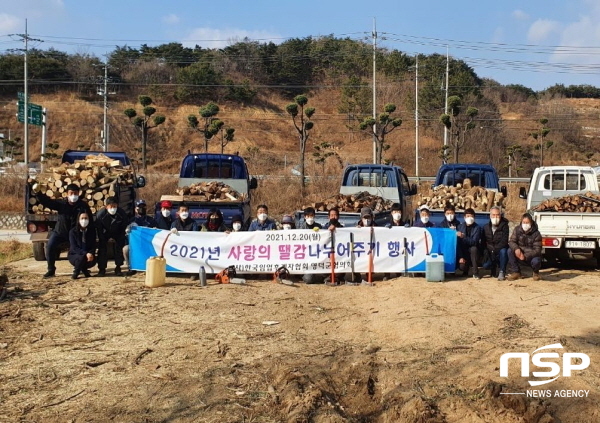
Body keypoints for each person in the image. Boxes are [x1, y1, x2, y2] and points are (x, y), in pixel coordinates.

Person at [35, 183, 92, 278]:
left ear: (78, 193)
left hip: (75, 234)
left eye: (75, 193)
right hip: (60, 232)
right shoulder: (61, 204)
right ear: (67, 194)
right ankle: (51, 269)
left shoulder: (83, 206)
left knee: (82, 249)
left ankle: (82, 268)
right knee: (50, 246)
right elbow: (47, 202)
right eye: (71, 193)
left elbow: (89, 220)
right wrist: (38, 193)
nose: (73, 195)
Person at [96, 196, 129, 277]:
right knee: (102, 248)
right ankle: (102, 269)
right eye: (111, 206)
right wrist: (102, 237)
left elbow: (124, 226)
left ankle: (118, 267)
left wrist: (120, 236)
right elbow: (99, 228)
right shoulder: (100, 214)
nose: (113, 208)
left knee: (119, 247)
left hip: (118, 232)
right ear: (106, 206)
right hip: (105, 232)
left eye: (115, 206)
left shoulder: (121, 213)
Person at [124, 199, 157, 276]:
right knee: (125, 249)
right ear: (136, 209)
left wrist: (155, 230)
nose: (141, 209)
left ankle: (149, 267)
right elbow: (127, 234)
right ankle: (131, 268)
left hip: (148, 243)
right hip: (135, 244)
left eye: (143, 206)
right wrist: (127, 230)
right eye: (139, 207)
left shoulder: (151, 220)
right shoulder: (132, 220)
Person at [507, 213, 542, 281]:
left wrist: (525, 256)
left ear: (531, 223)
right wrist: (516, 249)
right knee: (509, 251)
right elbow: (511, 241)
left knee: (536, 261)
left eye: (527, 222)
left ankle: (536, 272)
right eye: (524, 222)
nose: (525, 224)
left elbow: (538, 250)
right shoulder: (517, 230)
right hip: (519, 254)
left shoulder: (537, 234)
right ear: (521, 222)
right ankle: (516, 272)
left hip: (531, 256)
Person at [482, 206, 510, 281]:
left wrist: (495, 250)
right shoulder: (486, 227)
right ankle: (493, 267)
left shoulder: (505, 226)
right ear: (490, 216)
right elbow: (483, 242)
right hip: (490, 251)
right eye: (493, 215)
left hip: (500, 250)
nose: (495, 217)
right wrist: (488, 251)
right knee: (485, 265)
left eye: (497, 215)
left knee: (504, 251)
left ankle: (502, 271)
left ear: (500, 215)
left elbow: (504, 241)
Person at [67, 211, 96, 279]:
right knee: (81, 257)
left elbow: (93, 244)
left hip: (88, 254)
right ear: (78, 220)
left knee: (93, 259)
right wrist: (85, 254)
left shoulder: (92, 231)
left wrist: (91, 253)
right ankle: (76, 272)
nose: (84, 220)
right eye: (82, 218)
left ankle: (84, 269)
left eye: (86, 218)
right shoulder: (73, 232)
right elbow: (74, 247)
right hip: (75, 255)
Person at [457, 208, 482, 279]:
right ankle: (465, 271)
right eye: (468, 216)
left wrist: (463, 237)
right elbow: (458, 243)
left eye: (471, 216)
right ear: (464, 217)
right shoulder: (460, 227)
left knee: (474, 249)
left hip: (473, 251)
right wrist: (461, 256)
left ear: (474, 217)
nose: (469, 218)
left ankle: (475, 272)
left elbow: (474, 242)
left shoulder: (477, 228)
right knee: (462, 267)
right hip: (464, 251)